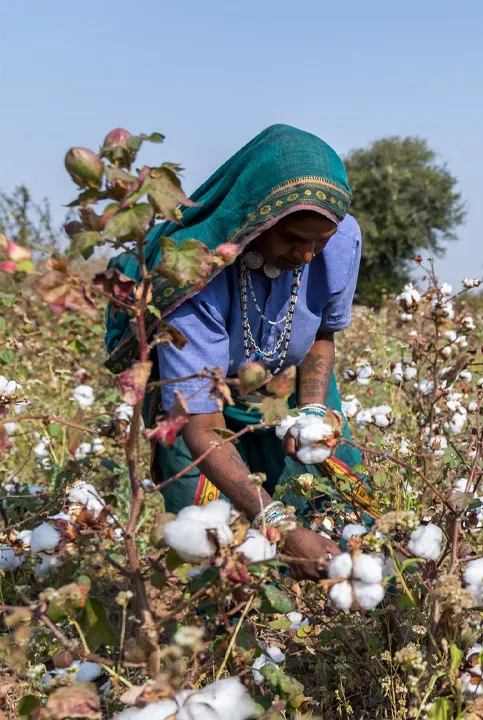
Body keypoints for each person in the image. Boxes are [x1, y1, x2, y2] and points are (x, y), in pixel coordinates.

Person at [103, 124, 374, 580]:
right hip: (201, 409)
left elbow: (322, 332)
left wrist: (310, 409)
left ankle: (324, 622)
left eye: (318, 242)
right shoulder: (193, 278)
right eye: (292, 240)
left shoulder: (339, 243)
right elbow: (202, 427)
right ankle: (228, 634)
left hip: (287, 386)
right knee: (215, 540)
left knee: (335, 498)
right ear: (255, 221)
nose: (307, 256)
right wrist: (278, 526)